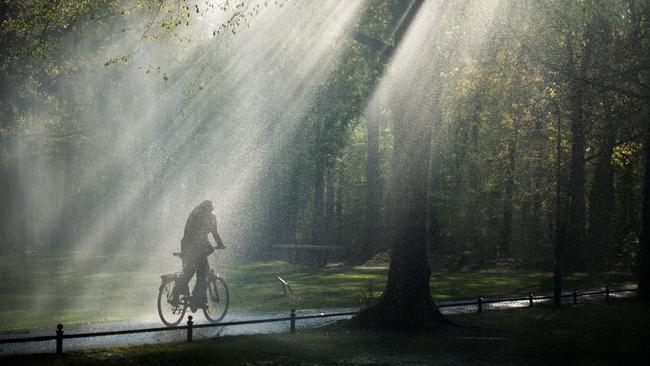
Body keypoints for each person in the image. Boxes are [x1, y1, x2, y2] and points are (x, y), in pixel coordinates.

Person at [172, 200, 225, 309]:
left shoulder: (197, 214)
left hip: (190, 246)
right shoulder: (205, 217)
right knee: (197, 271)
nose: (210, 212)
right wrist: (219, 245)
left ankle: (194, 297)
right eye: (209, 210)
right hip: (194, 247)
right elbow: (209, 234)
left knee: (196, 270)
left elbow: (209, 233)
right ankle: (192, 297)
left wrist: (216, 244)